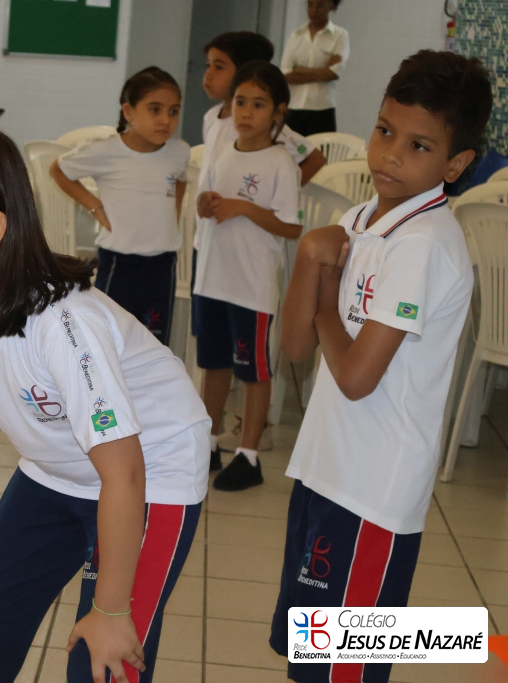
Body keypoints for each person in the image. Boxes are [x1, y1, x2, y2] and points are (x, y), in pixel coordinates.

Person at [0, 126, 210, 682]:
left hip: (151, 473)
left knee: (101, 663)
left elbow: (125, 473)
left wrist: (111, 611)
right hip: (56, 471)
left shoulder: (63, 323)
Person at [270, 50, 492, 683]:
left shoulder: (424, 244)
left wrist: (322, 300)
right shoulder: (360, 220)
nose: (391, 154)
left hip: (371, 496)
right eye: (385, 130)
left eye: (418, 145)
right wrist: (309, 261)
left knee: (343, 672)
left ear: (455, 164)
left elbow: (355, 377)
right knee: (310, 664)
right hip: (324, 470)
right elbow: (294, 350)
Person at [197, 31, 326, 462]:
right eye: (240, 102)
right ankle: (209, 440)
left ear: (278, 112)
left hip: (250, 285)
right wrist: (205, 203)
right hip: (213, 277)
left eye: (258, 104)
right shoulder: (223, 152)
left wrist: (244, 209)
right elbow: (209, 199)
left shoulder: (281, 162)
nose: (246, 113)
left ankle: (249, 453)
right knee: (213, 364)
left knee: (252, 369)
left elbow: (290, 226)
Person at [50, 67, 189, 346]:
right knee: (111, 341)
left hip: (162, 265)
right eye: (155, 109)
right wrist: (95, 207)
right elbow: (58, 170)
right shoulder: (107, 150)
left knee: (154, 344)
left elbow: (181, 180)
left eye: (173, 111)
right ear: (128, 111)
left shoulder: (179, 151)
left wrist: (172, 215)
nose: (165, 120)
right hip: (120, 263)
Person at [280, 0, 350, 136]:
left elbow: (333, 73)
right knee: (291, 148)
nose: (314, 10)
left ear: (331, 6)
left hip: (322, 110)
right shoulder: (296, 35)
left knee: (320, 148)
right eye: (310, 4)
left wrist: (300, 70)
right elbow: (286, 75)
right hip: (294, 108)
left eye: (320, 6)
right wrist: (322, 71)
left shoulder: (340, 35)